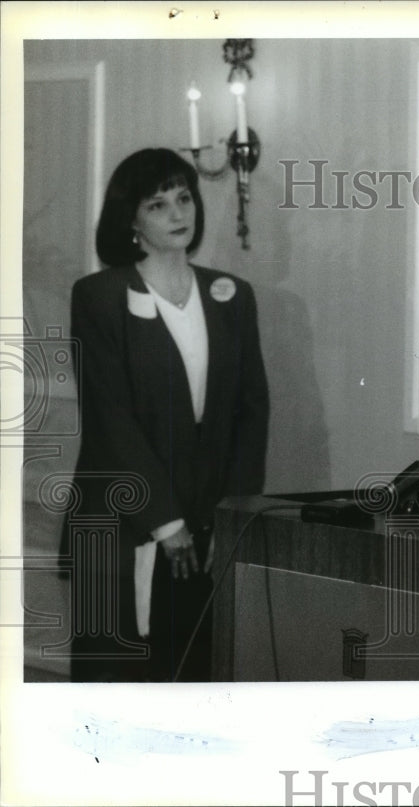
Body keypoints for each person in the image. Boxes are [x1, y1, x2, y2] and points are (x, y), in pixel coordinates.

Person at [64, 148, 269, 681]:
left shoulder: (232, 297)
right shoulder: (98, 296)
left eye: (184, 198)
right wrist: (167, 522)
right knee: (119, 691)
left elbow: (252, 414)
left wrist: (235, 516)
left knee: (196, 677)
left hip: (205, 526)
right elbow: (110, 420)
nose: (179, 214)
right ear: (130, 220)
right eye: (158, 205)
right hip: (123, 522)